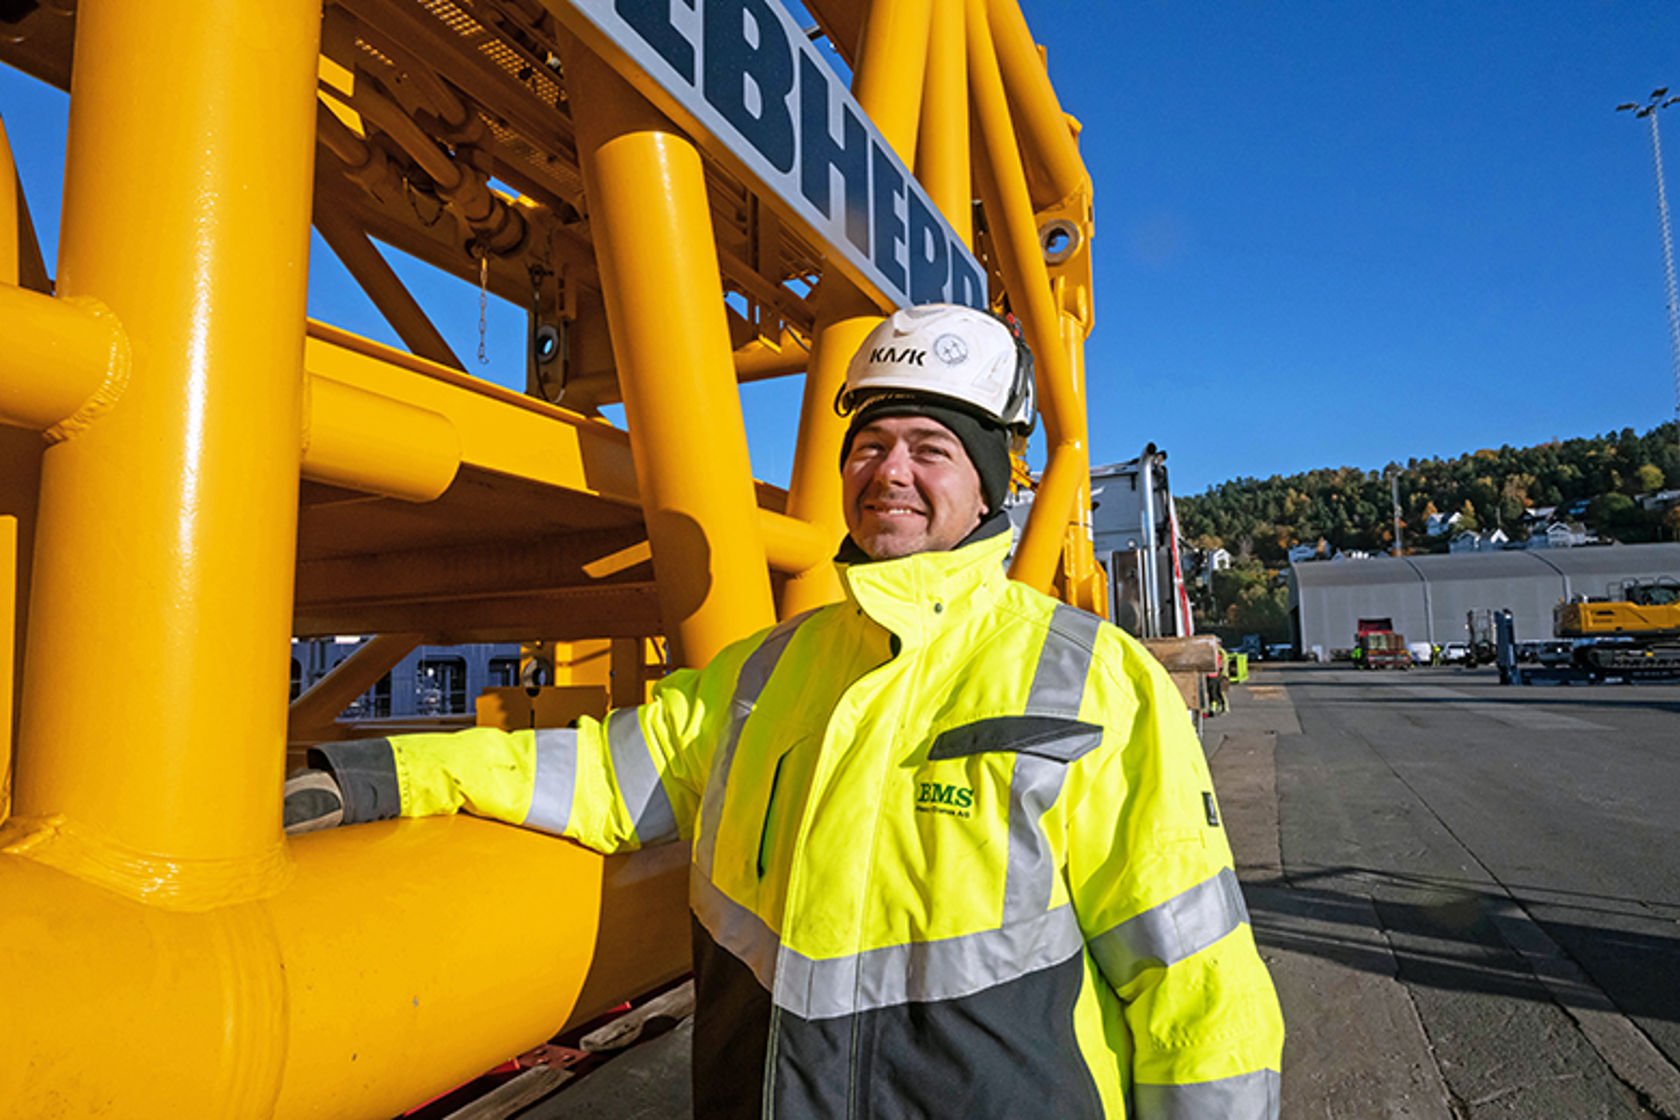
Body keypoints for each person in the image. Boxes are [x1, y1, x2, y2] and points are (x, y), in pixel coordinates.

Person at [285, 303, 1285, 1118]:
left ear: (987, 485)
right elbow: (599, 776)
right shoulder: (762, 671)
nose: (890, 471)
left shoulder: (1091, 680)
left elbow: (1196, 986)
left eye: (931, 447)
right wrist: (378, 774)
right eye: (872, 443)